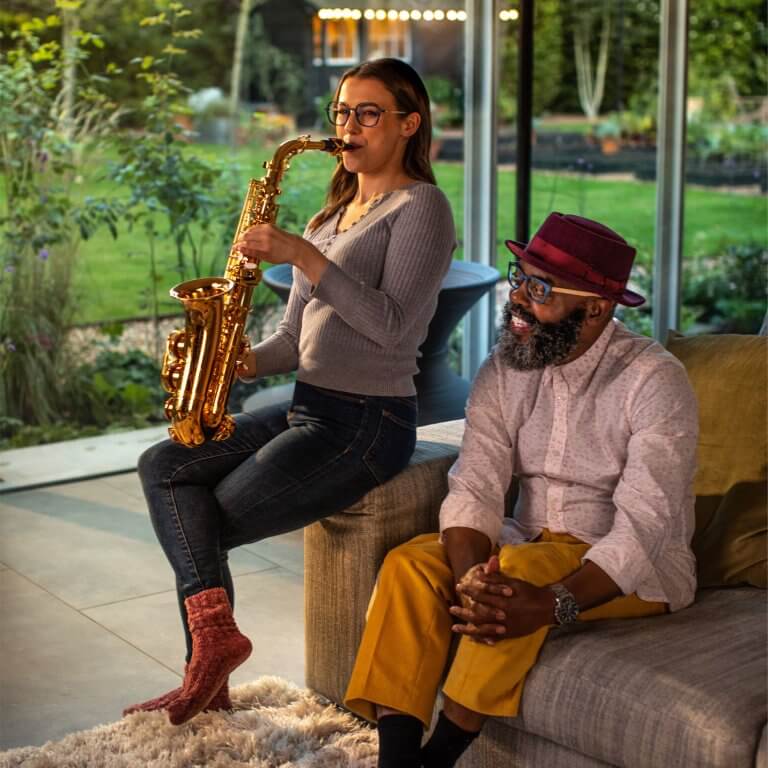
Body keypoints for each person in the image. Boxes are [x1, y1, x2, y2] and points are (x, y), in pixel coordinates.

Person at [124, 58, 456, 726]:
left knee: (205, 518)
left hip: (370, 423)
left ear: (407, 124)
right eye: (341, 112)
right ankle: (213, 656)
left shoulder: (422, 207)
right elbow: (294, 337)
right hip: (312, 405)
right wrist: (239, 360)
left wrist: (302, 255)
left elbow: (392, 328)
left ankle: (208, 662)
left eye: (367, 112)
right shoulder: (330, 216)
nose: (348, 125)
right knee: (163, 465)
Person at [343, 212, 699, 768]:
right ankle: (396, 759)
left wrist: (554, 602)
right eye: (520, 278)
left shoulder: (653, 380)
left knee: (515, 579)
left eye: (541, 289)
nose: (518, 300)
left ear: (597, 308)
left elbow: (644, 525)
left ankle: (437, 759)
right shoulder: (507, 365)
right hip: (526, 540)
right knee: (409, 566)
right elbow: (477, 480)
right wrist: (467, 577)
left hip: (631, 567)